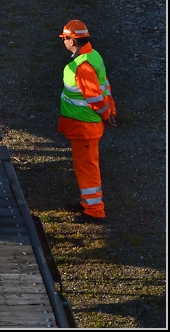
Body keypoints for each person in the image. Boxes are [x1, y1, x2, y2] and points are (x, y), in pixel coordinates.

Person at [58, 19, 116, 224]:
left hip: (85, 126)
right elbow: (105, 87)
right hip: (84, 126)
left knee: (87, 167)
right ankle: (87, 203)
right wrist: (111, 111)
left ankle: (94, 211)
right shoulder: (93, 56)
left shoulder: (82, 66)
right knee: (84, 165)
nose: (63, 42)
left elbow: (95, 98)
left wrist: (107, 115)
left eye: (65, 39)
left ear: (72, 41)